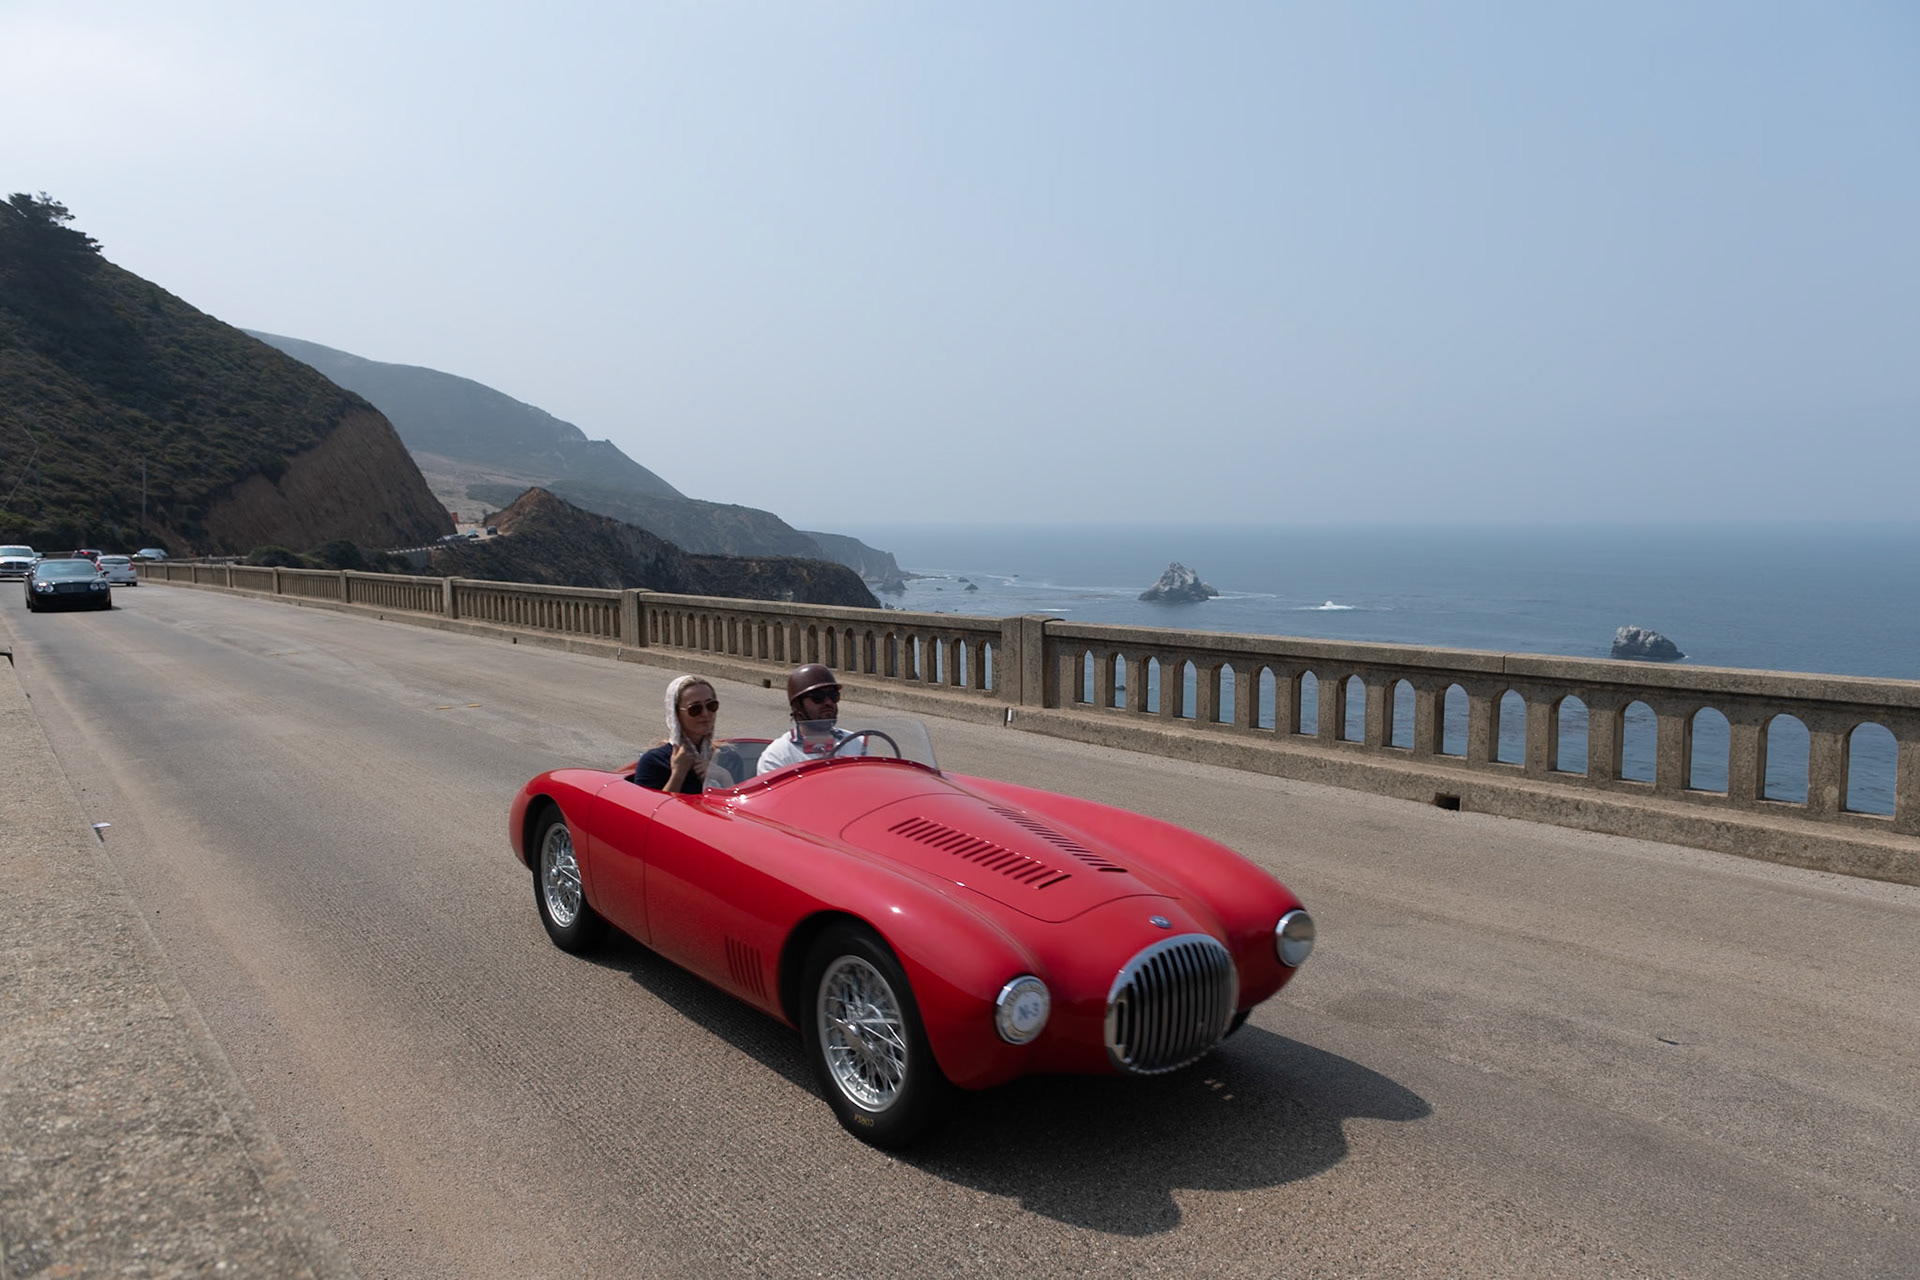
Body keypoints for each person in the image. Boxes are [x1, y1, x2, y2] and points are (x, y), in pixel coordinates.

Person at [757, 663, 865, 775]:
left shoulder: (857, 743)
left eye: (833, 695)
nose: (828, 702)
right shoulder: (777, 756)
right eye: (818, 697)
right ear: (798, 705)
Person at [634, 675, 721, 793]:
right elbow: (648, 809)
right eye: (695, 709)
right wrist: (678, 774)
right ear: (676, 714)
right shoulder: (654, 761)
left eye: (711, 705)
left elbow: (742, 807)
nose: (705, 714)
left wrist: (723, 776)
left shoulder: (727, 757)